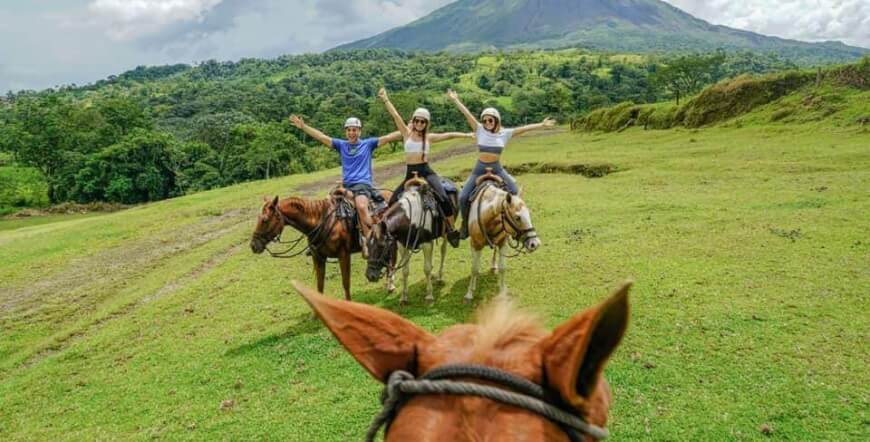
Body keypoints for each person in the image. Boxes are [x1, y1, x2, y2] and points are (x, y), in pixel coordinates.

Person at [446, 89, 556, 238]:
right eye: (484, 120)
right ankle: (465, 225)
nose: (487, 123)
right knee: (463, 197)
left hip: (497, 169)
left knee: (514, 191)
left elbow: (522, 129)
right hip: (480, 169)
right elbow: (467, 114)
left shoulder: (505, 133)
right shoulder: (479, 130)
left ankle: (512, 224)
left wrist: (541, 125)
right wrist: (455, 100)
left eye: (490, 120)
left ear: (496, 120)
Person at [289, 114, 401, 257]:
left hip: (362, 184)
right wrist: (304, 127)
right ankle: (318, 241)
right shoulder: (342, 145)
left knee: (361, 206)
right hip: (345, 185)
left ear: (360, 131)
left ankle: (369, 241)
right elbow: (322, 137)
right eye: (349, 130)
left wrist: (408, 129)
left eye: (354, 130)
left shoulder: (368, 144)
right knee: (325, 206)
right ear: (345, 132)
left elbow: (389, 137)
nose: (351, 133)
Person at [378, 87, 470, 247]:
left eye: (423, 121)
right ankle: (387, 232)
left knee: (443, 198)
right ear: (413, 121)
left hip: (426, 172)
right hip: (410, 173)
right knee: (392, 201)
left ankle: (451, 229)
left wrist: (467, 135)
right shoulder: (406, 133)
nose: (419, 124)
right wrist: (385, 99)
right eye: (417, 121)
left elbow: (449, 134)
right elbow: (396, 116)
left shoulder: (429, 137)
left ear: (426, 123)